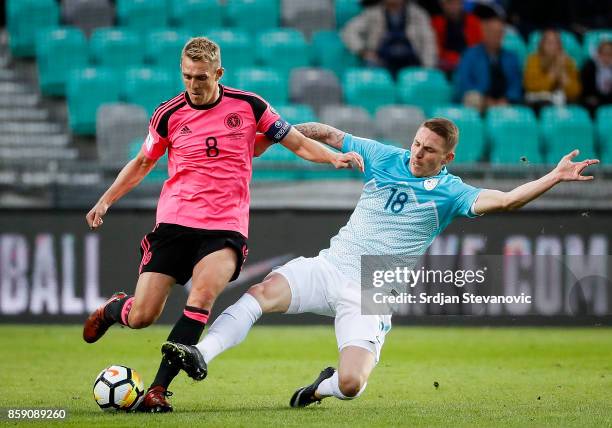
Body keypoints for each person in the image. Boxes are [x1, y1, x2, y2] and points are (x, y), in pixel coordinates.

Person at [161, 118, 599, 407]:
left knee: (351, 387)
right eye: (416, 143)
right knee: (260, 294)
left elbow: (505, 201)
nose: (417, 153)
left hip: (373, 288)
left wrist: (553, 178)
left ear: (447, 158)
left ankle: (320, 387)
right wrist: (282, 130)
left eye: (429, 150)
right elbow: (332, 137)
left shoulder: (452, 193)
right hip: (331, 265)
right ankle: (201, 354)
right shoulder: (386, 156)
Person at [81, 37, 364, 413]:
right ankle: (117, 309)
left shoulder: (249, 106)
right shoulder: (168, 114)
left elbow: (293, 141)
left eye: (201, 77)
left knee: (201, 298)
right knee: (143, 316)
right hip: (175, 222)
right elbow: (142, 163)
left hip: (224, 228)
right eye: (187, 77)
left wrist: (332, 158)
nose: (193, 86)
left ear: (218, 73)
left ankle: (159, 390)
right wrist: (105, 200)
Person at [341, 0, 437, 77]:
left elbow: (429, 43)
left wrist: (428, 67)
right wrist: (363, 51)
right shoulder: (371, 13)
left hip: (411, 62)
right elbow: (348, 32)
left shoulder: (419, 14)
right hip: (382, 62)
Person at [453, 15, 522, 112]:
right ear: (484, 33)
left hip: (505, 102)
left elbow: (515, 83)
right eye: (493, 32)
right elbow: (463, 83)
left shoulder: (511, 57)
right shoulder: (470, 55)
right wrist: (485, 99)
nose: (497, 36)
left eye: (499, 33)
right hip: (480, 100)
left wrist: (507, 98)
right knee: (472, 98)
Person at [523, 29, 581, 112]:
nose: (552, 46)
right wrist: (553, 73)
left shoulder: (568, 62)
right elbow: (531, 86)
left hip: (563, 102)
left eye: (556, 43)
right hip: (538, 102)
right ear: (542, 45)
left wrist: (563, 75)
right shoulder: (533, 60)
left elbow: (575, 92)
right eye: (549, 43)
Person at [431, 0, 483, 73]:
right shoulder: (436, 23)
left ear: (462, 4)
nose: (453, 7)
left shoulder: (473, 21)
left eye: (456, 3)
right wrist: (454, 59)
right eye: (449, 3)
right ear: (443, 5)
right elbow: (435, 50)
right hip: (445, 66)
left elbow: (478, 47)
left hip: (470, 63)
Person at [581, 40, 612, 116]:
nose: (607, 57)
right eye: (604, 53)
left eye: (610, 54)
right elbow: (584, 87)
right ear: (598, 54)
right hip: (594, 100)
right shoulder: (589, 67)